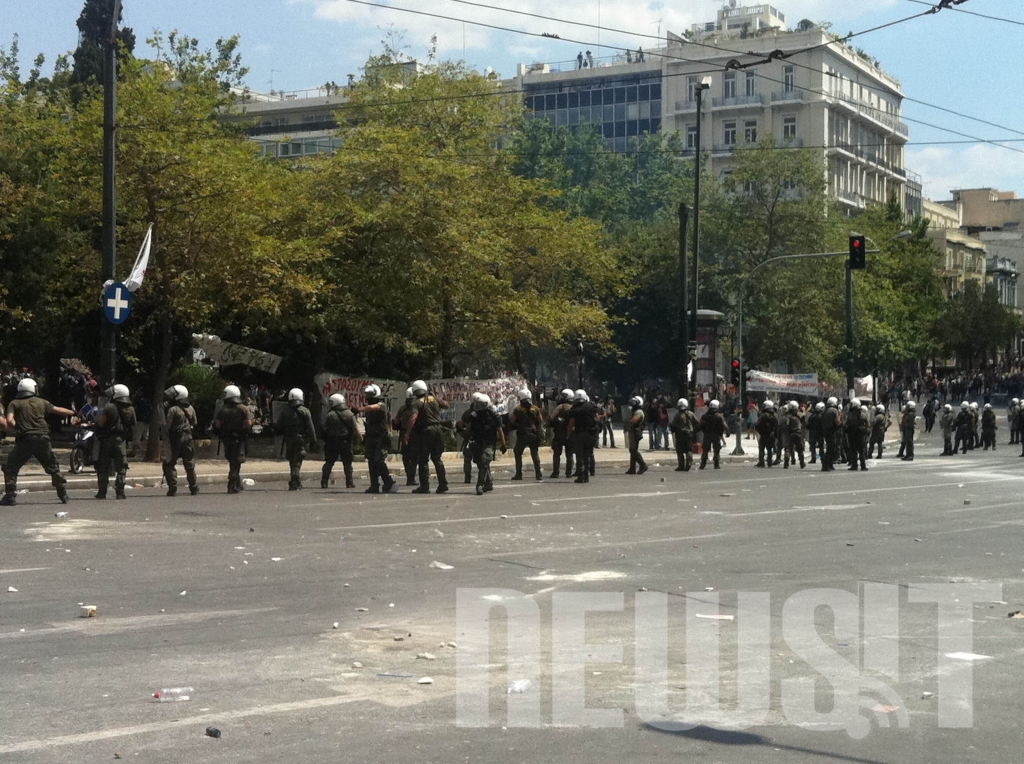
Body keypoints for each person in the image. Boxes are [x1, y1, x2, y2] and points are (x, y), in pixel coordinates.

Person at [1, 379, 74, 506]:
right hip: (43, 438)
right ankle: (62, 493)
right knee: (52, 467)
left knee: (11, 466)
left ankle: (10, 495)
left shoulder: (14, 403)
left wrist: (17, 426)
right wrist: (74, 413)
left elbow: (9, 420)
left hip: (25, 439)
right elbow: (58, 410)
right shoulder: (42, 402)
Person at [405, 379, 449, 494]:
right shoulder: (433, 399)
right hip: (438, 429)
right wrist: (435, 396)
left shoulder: (416, 403)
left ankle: (425, 486)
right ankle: (443, 484)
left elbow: (413, 418)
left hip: (426, 431)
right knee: (437, 458)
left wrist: (407, 433)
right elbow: (446, 405)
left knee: (423, 459)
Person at [357, 384, 397, 494]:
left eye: (369, 394)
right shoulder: (369, 408)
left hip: (380, 437)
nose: (367, 396)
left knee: (379, 461)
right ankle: (374, 485)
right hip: (371, 437)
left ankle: (388, 482)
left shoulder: (381, 405)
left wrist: (358, 409)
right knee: (371, 461)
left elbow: (371, 408)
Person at [162, 384, 199, 497]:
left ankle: (172, 488)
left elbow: (167, 425)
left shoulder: (173, 409)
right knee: (189, 464)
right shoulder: (190, 408)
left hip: (175, 439)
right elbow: (194, 423)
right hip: (188, 438)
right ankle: (193, 487)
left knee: (169, 463)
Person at [276, 388, 316, 490]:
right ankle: (295, 479)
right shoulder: (305, 411)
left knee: (291, 458)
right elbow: (311, 427)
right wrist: (314, 441)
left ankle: (294, 479)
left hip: (289, 438)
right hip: (300, 438)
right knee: (297, 460)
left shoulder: (285, 411)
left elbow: (278, 426)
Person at [214, 385, 252, 494]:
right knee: (236, 462)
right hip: (238, 439)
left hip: (226, 439)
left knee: (233, 461)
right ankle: (232, 485)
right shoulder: (243, 408)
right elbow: (249, 424)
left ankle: (237, 484)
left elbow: (217, 424)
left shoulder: (223, 410)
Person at [466, 392, 505, 495]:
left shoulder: (493, 415)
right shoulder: (474, 415)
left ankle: (480, 485)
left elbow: (499, 430)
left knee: (484, 462)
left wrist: (503, 444)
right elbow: (468, 428)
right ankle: (488, 482)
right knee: (481, 463)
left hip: (488, 443)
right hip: (477, 442)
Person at [322, 393, 359, 489]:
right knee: (347, 463)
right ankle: (349, 482)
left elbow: (325, 428)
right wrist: (361, 439)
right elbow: (354, 428)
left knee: (329, 462)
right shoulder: (349, 414)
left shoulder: (330, 415)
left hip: (332, 442)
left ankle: (324, 482)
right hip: (346, 443)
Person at [510, 388, 544, 481]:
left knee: (518, 453)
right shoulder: (535, 408)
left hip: (523, 434)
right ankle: (538, 474)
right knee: (534, 453)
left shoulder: (518, 409)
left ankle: (518, 474)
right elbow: (540, 420)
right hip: (533, 433)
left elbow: (512, 421)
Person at [566, 389, 597, 483]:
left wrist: (568, 435)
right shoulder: (591, 406)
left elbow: (571, 423)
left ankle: (580, 476)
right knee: (587, 455)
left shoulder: (574, 409)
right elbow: (597, 418)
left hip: (580, 434)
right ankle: (586, 476)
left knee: (579, 456)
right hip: (590, 434)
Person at [549, 388, 575, 479]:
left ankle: (556, 472)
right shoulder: (574, 407)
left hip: (559, 433)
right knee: (570, 454)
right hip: (571, 433)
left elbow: (552, 418)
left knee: (556, 454)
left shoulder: (560, 407)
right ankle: (569, 473)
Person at [395, 388, 418, 486]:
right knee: (413, 457)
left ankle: (410, 477)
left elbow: (396, 420)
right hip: (413, 433)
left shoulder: (402, 408)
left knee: (406, 456)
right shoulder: (416, 408)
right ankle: (411, 477)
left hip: (404, 433)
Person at [670, 397, 699, 471]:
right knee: (688, 449)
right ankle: (688, 464)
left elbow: (673, 425)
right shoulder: (691, 414)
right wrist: (694, 431)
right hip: (689, 435)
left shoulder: (677, 415)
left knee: (680, 451)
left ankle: (681, 465)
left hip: (680, 435)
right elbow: (697, 423)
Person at [698, 399, 727, 469]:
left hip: (707, 435)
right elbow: (725, 425)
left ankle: (702, 464)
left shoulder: (704, 416)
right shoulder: (719, 416)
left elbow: (699, 424)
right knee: (716, 450)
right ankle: (716, 465)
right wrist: (728, 432)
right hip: (716, 435)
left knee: (705, 450)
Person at [843, 398, 868, 471]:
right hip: (860, 435)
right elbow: (867, 424)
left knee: (854, 451)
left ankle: (854, 465)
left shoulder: (850, 415)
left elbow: (847, 424)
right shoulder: (863, 414)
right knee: (861, 451)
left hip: (852, 435)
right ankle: (863, 466)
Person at [625, 395, 648, 475]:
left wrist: (628, 419)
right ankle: (632, 468)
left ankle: (643, 464)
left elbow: (633, 421)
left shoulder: (638, 412)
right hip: (633, 432)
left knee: (633, 450)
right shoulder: (635, 411)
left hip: (636, 432)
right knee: (632, 450)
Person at [783, 401, 806, 469]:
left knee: (788, 448)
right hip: (798, 433)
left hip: (790, 433)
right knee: (800, 449)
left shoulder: (787, 416)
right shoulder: (798, 414)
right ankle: (802, 463)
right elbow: (803, 415)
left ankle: (786, 463)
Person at [456, 404, 475, 484]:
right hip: (482, 440)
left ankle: (467, 478)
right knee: (483, 461)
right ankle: (487, 479)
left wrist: (461, 431)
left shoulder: (467, 413)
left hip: (470, 439)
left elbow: (461, 426)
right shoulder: (486, 412)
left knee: (467, 459)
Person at [755, 400, 777, 468]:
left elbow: (758, 424)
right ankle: (769, 462)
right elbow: (776, 426)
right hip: (771, 434)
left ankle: (761, 462)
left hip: (764, 434)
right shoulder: (774, 416)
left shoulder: (763, 415)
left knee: (761, 448)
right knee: (769, 449)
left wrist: (759, 429)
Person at [821, 397, 841, 472]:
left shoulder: (824, 410)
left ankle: (829, 464)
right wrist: (840, 415)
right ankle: (826, 465)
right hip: (832, 431)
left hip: (825, 430)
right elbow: (837, 422)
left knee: (830, 447)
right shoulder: (834, 410)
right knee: (831, 448)